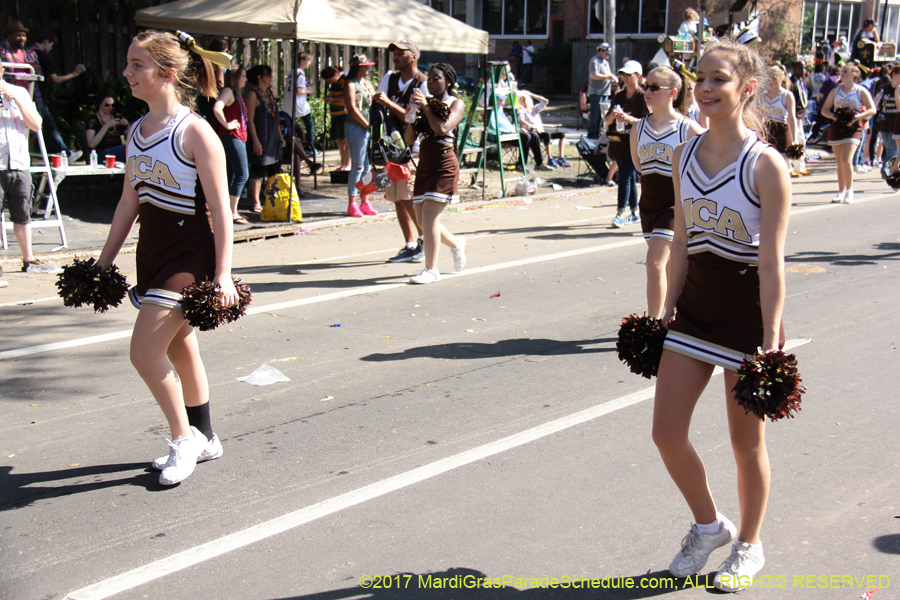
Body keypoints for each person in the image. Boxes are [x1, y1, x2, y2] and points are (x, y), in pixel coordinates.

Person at [656, 37, 792, 592]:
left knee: (746, 444)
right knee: (666, 433)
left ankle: (750, 545)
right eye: (701, 78)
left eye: (719, 79)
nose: (706, 88)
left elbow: (771, 266)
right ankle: (709, 526)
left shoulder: (766, 166)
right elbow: (683, 243)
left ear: (747, 89)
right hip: (693, 312)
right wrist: (664, 310)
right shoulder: (682, 154)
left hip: (745, 318)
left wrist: (772, 341)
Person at [95, 31, 237, 486]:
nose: (127, 72)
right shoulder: (136, 131)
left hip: (188, 255)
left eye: (137, 64)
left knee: (144, 352)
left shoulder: (195, 132)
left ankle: (184, 439)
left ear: (167, 74)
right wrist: (103, 262)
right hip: (152, 255)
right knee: (180, 346)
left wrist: (224, 275)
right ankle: (206, 435)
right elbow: (127, 204)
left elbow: (220, 210)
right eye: (129, 63)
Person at [630, 65, 703, 318]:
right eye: (645, 85)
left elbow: (709, 162)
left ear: (673, 92)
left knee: (654, 263)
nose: (646, 91)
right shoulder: (638, 128)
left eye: (653, 87)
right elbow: (640, 166)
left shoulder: (688, 129)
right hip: (648, 204)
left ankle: (651, 325)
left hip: (674, 207)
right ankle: (678, 316)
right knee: (670, 266)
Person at [403, 63, 467, 285]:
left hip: (444, 164)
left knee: (429, 218)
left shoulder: (455, 103)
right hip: (425, 164)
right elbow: (410, 140)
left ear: (448, 81)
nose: (430, 82)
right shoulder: (423, 106)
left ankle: (431, 270)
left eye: (436, 78)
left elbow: (442, 128)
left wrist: (426, 107)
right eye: (429, 78)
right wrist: (412, 114)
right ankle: (457, 245)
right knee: (422, 221)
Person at [0, 63, 61, 275]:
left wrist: (16, 100)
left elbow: (36, 125)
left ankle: (28, 258)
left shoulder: (19, 92)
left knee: (22, 212)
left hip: (18, 162)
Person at [373, 39, 428, 263]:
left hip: (411, 148)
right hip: (391, 146)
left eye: (400, 52)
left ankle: (424, 241)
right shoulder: (390, 77)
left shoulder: (422, 83)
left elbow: (411, 117)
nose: (395, 56)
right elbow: (378, 101)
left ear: (413, 56)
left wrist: (387, 103)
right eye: (394, 52)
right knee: (396, 197)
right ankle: (410, 244)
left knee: (408, 197)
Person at [822, 62, 875, 203]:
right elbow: (824, 109)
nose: (841, 73)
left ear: (853, 74)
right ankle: (841, 191)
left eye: (845, 71)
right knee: (839, 162)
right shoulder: (835, 91)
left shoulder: (860, 91)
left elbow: (872, 109)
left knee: (846, 159)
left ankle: (850, 191)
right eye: (841, 71)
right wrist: (835, 116)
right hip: (838, 127)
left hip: (853, 128)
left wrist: (856, 117)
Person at [606, 60, 648, 228]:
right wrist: (612, 117)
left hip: (635, 142)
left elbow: (646, 122)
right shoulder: (619, 95)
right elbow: (608, 118)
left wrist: (628, 118)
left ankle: (619, 213)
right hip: (619, 141)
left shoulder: (643, 96)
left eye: (629, 75)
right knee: (629, 177)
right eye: (623, 74)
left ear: (638, 76)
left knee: (623, 176)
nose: (625, 78)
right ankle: (635, 212)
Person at [31, 30, 84, 162]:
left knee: (32, 129)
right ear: (46, 42)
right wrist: (75, 74)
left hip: (27, 96)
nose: (50, 48)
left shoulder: (27, 54)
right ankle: (65, 153)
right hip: (38, 98)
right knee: (48, 127)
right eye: (51, 45)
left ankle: (29, 157)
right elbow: (54, 79)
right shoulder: (42, 57)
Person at [212, 66, 250, 224]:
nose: (245, 79)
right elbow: (217, 107)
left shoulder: (236, 93)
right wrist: (227, 124)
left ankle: (230, 210)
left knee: (235, 174)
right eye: (242, 76)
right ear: (235, 78)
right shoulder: (228, 91)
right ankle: (232, 213)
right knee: (242, 174)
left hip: (239, 136)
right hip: (231, 136)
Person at [343, 54, 379, 218]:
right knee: (357, 165)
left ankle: (365, 200)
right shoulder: (350, 84)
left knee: (367, 167)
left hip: (367, 128)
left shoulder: (365, 83)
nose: (368, 69)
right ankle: (352, 202)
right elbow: (351, 107)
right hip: (355, 127)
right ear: (358, 67)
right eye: (365, 66)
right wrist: (365, 124)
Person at [244, 64, 282, 213]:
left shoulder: (270, 93)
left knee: (274, 170)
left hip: (273, 137)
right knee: (258, 169)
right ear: (259, 77)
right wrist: (255, 140)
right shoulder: (253, 94)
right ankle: (255, 202)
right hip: (260, 137)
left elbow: (276, 117)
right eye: (268, 75)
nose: (271, 78)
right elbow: (250, 120)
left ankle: (272, 200)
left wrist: (280, 136)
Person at [762, 66, 802, 175]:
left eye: (774, 78)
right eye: (768, 79)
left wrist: (795, 139)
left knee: (782, 166)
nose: (770, 82)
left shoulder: (787, 95)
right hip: (767, 132)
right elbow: (758, 116)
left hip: (782, 132)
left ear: (781, 79)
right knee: (766, 165)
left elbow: (792, 118)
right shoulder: (763, 95)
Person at [518, 91, 568, 167]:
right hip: (534, 133)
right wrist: (531, 126)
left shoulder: (535, 109)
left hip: (541, 132)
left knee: (561, 134)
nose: (524, 100)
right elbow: (521, 120)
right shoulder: (521, 110)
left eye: (525, 98)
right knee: (547, 135)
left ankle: (561, 157)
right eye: (521, 99)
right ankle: (550, 158)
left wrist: (530, 94)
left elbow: (545, 101)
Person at [283, 51, 317, 156]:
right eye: (308, 61)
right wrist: (308, 91)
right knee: (309, 124)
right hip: (299, 105)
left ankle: (294, 145)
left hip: (289, 104)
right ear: (302, 61)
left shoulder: (292, 72)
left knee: (292, 126)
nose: (309, 63)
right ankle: (309, 147)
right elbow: (299, 90)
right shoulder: (300, 74)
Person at [321, 66, 351, 171]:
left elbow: (347, 96)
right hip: (335, 114)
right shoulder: (334, 83)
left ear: (335, 75)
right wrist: (328, 98)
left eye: (330, 80)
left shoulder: (345, 80)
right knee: (339, 140)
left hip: (344, 113)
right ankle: (343, 163)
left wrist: (333, 100)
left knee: (346, 140)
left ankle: (347, 164)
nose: (329, 82)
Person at [85, 93, 129, 162]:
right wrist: (106, 126)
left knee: (132, 148)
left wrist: (127, 126)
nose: (110, 107)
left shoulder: (116, 118)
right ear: (100, 104)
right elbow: (91, 144)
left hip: (118, 151)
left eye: (112, 105)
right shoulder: (92, 120)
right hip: (102, 153)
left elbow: (131, 140)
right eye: (107, 105)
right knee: (127, 148)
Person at [588, 43, 615, 139]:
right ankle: (592, 133)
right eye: (606, 53)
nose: (607, 55)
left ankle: (599, 132)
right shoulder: (594, 61)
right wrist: (608, 77)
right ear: (601, 51)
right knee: (595, 114)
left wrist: (613, 77)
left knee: (603, 114)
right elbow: (593, 75)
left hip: (605, 92)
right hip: (596, 92)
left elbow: (608, 74)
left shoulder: (605, 62)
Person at [875, 65, 899, 175]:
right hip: (884, 122)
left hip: (896, 123)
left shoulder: (899, 90)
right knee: (889, 147)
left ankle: (886, 168)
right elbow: (875, 103)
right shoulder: (884, 89)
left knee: (892, 148)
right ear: (894, 74)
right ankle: (889, 169)